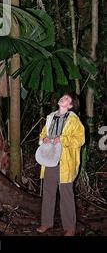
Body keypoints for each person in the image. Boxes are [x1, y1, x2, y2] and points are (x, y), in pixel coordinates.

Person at [36, 92, 85, 236]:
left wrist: (63, 139)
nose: (62, 99)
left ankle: (70, 227)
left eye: (66, 99)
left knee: (66, 194)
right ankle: (46, 223)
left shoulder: (74, 120)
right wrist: (43, 139)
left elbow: (80, 139)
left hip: (66, 162)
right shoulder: (50, 117)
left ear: (70, 106)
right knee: (48, 192)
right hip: (50, 158)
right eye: (62, 97)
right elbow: (43, 133)